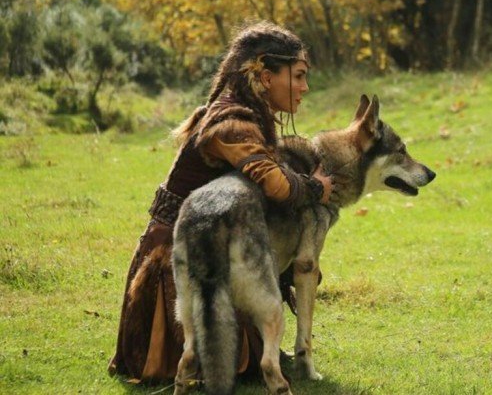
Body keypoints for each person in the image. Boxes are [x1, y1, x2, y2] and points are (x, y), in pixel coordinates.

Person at [108, 21, 332, 383]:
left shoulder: (246, 110)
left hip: (216, 241)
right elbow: (275, 184)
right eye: (299, 75)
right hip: (181, 253)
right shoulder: (231, 121)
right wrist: (314, 188)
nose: (305, 88)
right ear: (263, 72)